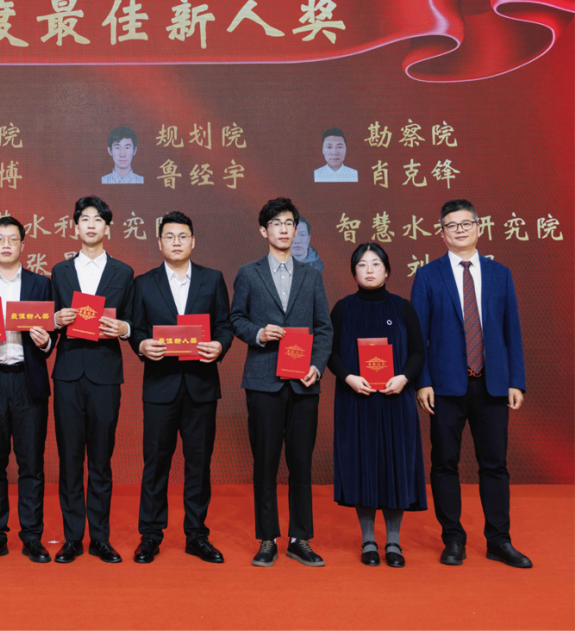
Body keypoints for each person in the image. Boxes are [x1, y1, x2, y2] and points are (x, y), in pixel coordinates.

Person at [411, 199, 532, 568]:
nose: (460, 230)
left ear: (479, 227)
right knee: (444, 463)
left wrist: (516, 381)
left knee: (494, 464)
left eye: (466, 223)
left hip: (492, 385)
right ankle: (453, 539)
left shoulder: (500, 274)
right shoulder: (428, 276)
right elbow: (417, 337)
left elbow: (512, 331)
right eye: (452, 225)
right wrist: (423, 382)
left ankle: (499, 540)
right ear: (442, 233)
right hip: (445, 387)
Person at [230, 197, 333, 567]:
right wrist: (259, 333)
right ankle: (267, 538)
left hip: (304, 383)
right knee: (265, 463)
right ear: (264, 230)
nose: (284, 229)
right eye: (276, 223)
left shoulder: (312, 275)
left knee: (301, 463)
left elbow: (324, 329)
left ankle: (299, 538)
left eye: (290, 223)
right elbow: (236, 319)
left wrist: (317, 367)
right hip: (264, 381)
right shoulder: (248, 273)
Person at [129, 211, 234, 564]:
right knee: (155, 463)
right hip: (160, 386)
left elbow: (224, 325)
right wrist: (142, 345)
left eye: (183, 236)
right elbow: (137, 329)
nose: (176, 242)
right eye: (170, 237)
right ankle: (150, 535)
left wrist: (220, 346)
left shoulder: (212, 279)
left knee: (198, 464)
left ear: (193, 241)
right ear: (160, 243)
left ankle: (197, 535)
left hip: (201, 385)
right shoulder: (143, 283)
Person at [0, 217, 57, 564]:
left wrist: (45, 341)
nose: (6, 244)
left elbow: (51, 337)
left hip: (29, 382)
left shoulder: (40, 285)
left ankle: (32, 537)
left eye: (12, 239)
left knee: (31, 463)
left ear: (22, 245)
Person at [328, 243, 427, 568]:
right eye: (362, 264)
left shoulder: (403, 308)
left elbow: (418, 351)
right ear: (353, 272)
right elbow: (330, 352)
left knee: (395, 465)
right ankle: (369, 539)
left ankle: (394, 541)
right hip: (356, 400)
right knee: (362, 466)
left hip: (395, 399)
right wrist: (348, 378)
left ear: (387, 270)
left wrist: (404, 378)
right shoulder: (343, 308)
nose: (369, 270)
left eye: (375, 264)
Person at [50, 196, 135, 564]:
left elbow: (133, 321)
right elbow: (49, 321)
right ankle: (72, 538)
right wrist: (55, 320)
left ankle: (100, 537)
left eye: (97, 219)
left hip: (104, 374)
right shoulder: (59, 272)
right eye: (84, 219)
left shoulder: (124, 272)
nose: (90, 225)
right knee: (69, 459)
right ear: (75, 227)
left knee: (101, 459)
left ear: (107, 228)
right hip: (68, 373)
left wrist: (123, 327)